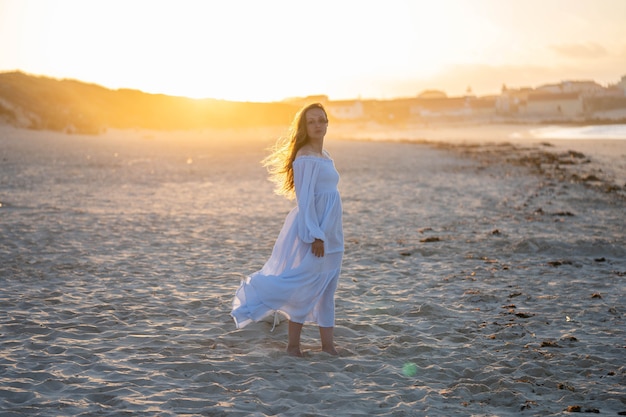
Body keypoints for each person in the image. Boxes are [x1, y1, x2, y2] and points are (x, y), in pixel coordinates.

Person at [231, 103, 344, 357]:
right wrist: (315, 235)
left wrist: (327, 233)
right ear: (304, 127)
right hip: (316, 234)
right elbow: (304, 201)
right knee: (305, 288)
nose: (317, 125)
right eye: (311, 121)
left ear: (327, 123)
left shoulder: (325, 156)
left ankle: (329, 347)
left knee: (328, 290)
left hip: (333, 233)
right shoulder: (304, 157)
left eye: (321, 120)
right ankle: (293, 347)